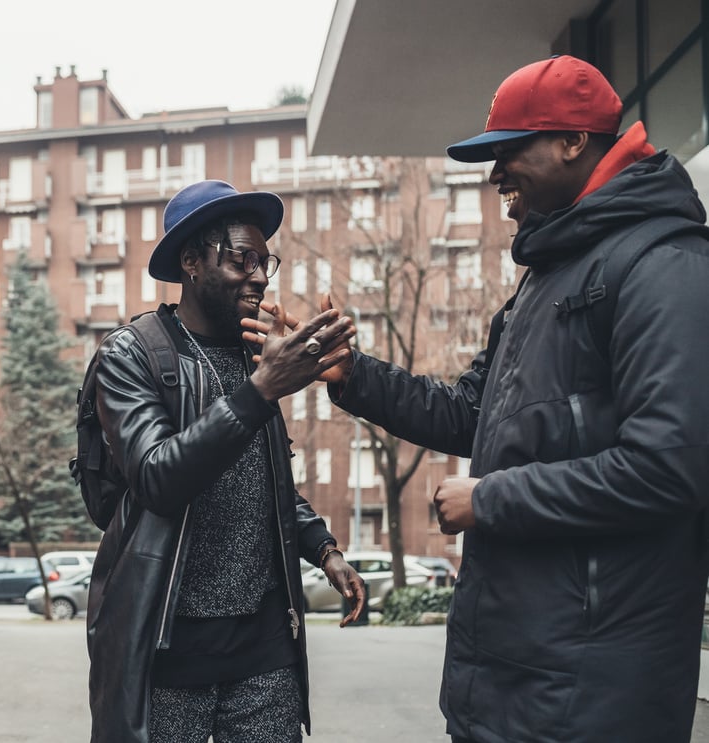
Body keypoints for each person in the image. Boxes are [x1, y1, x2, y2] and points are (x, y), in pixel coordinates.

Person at [247, 55, 709, 742]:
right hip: (510, 672)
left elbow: (667, 468)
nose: (495, 176)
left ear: (573, 140)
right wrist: (350, 372)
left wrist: (489, 497)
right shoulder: (545, 279)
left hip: (592, 690)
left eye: (507, 152)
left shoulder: (663, 266)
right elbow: (471, 411)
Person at [86, 179, 366, 743]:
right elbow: (157, 477)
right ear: (190, 260)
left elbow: (268, 480)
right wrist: (260, 391)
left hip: (264, 649)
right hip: (168, 646)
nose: (260, 276)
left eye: (266, 262)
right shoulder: (131, 355)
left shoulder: (255, 356)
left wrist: (324, 549)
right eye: (242, 258)